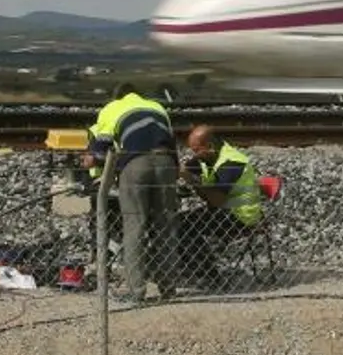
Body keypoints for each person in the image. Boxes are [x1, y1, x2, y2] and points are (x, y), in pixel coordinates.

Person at [87, 82, 179, 300]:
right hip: (166, 163)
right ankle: (169, 289)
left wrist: (93, 164)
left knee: (134, 226)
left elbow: (101, 152)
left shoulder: (112, 108)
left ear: (117, 97)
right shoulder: (157, 107)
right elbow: (172, 142)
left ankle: (136, 292)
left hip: (136, 164)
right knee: (166, 226)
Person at [177, 125, 265, 282]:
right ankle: (194, 270)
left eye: (196, 150)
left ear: (209, 147)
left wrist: (191, 180)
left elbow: (217, 200)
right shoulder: (209, 157)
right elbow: (186, 169)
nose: (194, 155)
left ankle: (209, 276)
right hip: (224, 211)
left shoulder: (232, 162)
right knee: (178, 222)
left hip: (240, 216)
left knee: (183, 226)